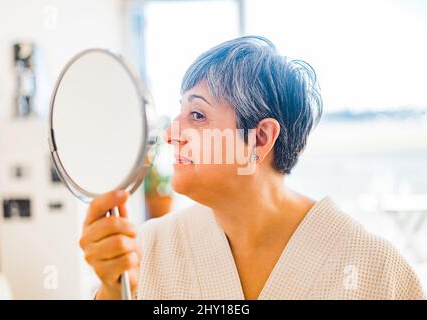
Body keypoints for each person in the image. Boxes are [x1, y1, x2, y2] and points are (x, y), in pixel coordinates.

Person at [79, 36, 425, 300]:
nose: (171, 134)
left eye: (197, 115)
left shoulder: (376, 270)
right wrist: (112, 290)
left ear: (260, 138)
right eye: (180, 113)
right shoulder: (149, 249)